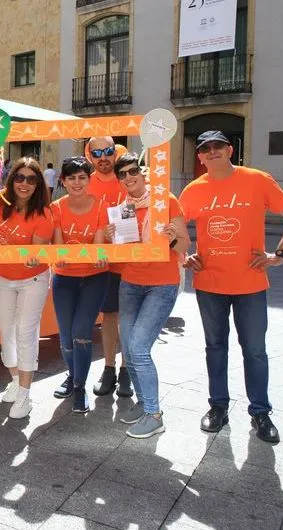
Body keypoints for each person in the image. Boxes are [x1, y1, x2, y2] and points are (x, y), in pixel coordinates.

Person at [179, 130, 283, 444]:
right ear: (200, 157)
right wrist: (184, 256)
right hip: (209, 282)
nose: (212, 151)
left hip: (250, 283)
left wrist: (279, 255)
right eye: (205, 148)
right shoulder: (194, 190)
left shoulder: (257, 180)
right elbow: (173, 229)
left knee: (255, 350)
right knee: (215, 347)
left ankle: (260, 412)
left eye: (218, 146)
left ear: (230, 150)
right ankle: (218, 407)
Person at [107, 153, 191, 438]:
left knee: (139, 348)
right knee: (129, 348)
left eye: (133, 171)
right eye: (122, 175)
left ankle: (154, 415)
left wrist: (171, 238)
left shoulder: (165, 201)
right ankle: (144, 404)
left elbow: (185, 243)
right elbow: (124, 249)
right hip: (131, 282)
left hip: (162, 284)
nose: (129, 178)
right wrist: (110, 237)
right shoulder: (123, 209)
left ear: (142, 173)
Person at [0, 157, 54, 419]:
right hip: (2, 276)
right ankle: (16, 380)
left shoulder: (43, 213)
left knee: (26, 333)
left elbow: (37, 250)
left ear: (38, 184)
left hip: (33, 279)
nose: (24, 183)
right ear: (11, 179)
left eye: (31, 179)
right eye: (19, 177)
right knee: (7, 332)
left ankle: (25, 394)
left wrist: (34, 255)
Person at [50, 157, 109, 414]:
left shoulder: (102, 205)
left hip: (95, 277)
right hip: (64, 278)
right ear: (63, 181)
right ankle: (73, 376)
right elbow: (58, 244)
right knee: (66, 336)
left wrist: (99, 255)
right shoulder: (56, 208)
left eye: (82, 177)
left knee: (81, 333)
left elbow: (99, 243)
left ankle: (79, 387)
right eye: (71, 178)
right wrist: (58, 254)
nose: (77, 182)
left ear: (89, 179)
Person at [85, 136, 131, 399]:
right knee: (110, 317)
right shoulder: (84, 182)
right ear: (89, 155)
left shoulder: (128, 177)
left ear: (115, 152)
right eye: (97, 152)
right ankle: (109, 368)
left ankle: (126, 370)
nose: (103, 157)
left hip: (131, 259)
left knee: (128, 318)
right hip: (101, 263)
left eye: (108, 151)